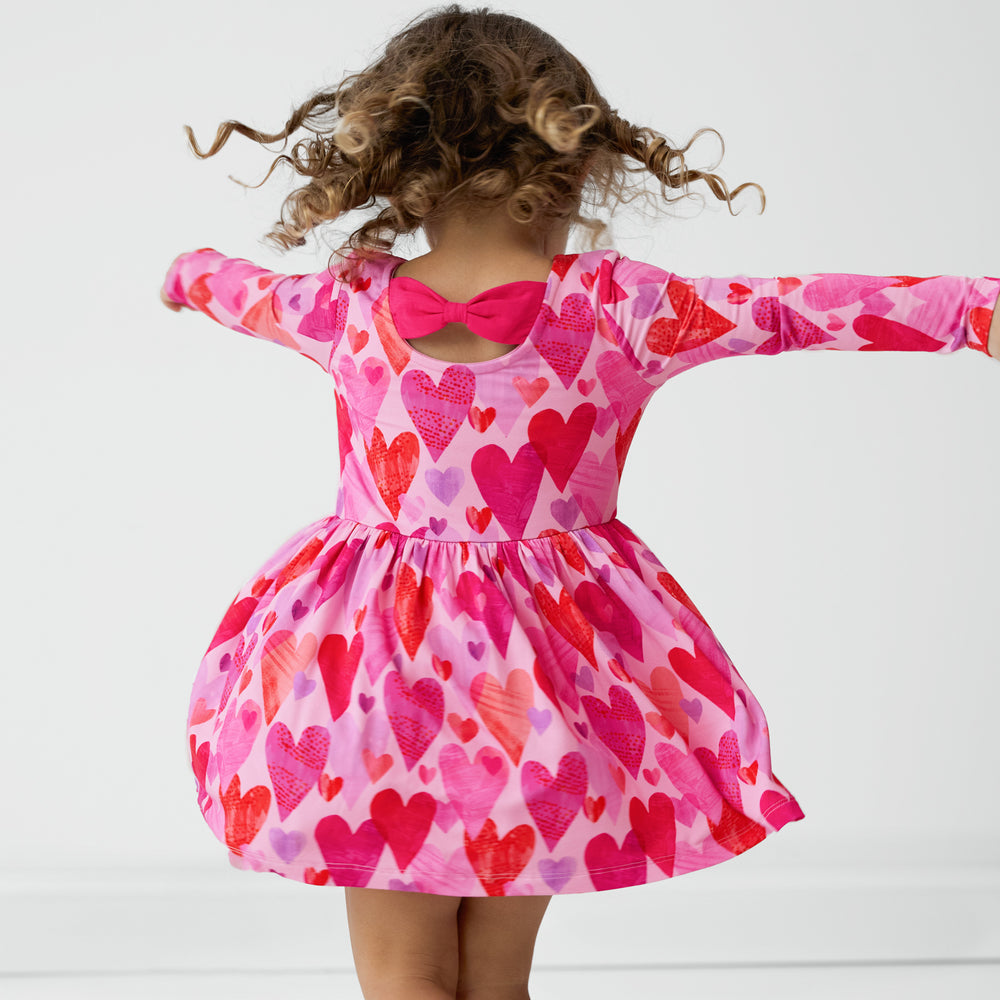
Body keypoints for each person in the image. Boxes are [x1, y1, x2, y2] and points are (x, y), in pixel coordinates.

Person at [159, 6, 1000, 999]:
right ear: (577, 156)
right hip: (546, 683)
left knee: (402, 977)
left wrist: (185, 276)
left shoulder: (347, 301)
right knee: (497, 979)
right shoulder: (620, 306)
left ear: (397, 165)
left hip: (370, 682)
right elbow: (795, 308)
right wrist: (974, 307)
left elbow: (233, 286)